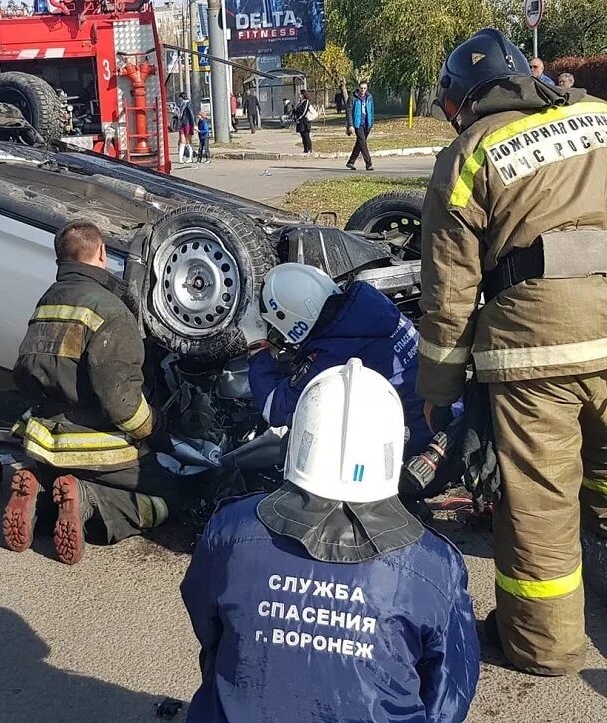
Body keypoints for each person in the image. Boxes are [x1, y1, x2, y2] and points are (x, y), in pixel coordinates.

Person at [421, 27, 607, 676]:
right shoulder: (600, 118)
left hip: (537, 354)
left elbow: (449, 290)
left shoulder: (471, 154)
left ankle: (544, 645)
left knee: (542, 506)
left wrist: (438, 393)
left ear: (465, 101)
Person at [181, 359, 480, 723]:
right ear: (392, 448)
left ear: (299, 439)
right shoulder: (433, 566)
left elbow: (208, 631)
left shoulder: (230, 530)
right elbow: (449, 696)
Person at [5, 220, 181, 564]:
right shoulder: (112, 311)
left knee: (61, 475)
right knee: (173, 495)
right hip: (96, 449)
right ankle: (88, 500)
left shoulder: (48, 303)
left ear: (61, 260)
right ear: (101, 252)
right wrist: (156, 430)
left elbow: (24, 372)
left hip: (44, 441)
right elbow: (121, 405)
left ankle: (40, 490)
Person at [241, 263, 433, 483]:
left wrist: (257, 346)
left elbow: (273, 406)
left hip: (414, 460)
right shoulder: (371, 307)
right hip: (448, 421)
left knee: (306, 429)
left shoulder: (334, 353)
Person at [346, 80, 374, 170]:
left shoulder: (369, 97)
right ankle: (368, 164)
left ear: (367, 88)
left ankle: (351, 162)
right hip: (357, 124)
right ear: (358, 88)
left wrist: (371, 122)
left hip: (367, 123)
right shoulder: (353, 97)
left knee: (360, 143)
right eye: (361, 88)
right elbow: (349, 112)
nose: (363, 90)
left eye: (364, 88)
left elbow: (372, 110)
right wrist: (350, 125)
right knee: (363, 143)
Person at [177, 92, 196, 163]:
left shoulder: (188, 104)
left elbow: (191, 114)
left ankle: (190, 158)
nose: (179, 100)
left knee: (188, 141)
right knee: (182, 141)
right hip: (183, 124)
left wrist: (193, 124)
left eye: (180, 98)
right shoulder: (183, 104)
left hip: (188, 124)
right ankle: (180, 159)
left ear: (181, 98)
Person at [293, 89, 313, 154]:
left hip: (305, 122)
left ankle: (309, 149)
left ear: (303, 94)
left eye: (300, 94)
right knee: (302, 136)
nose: (299, 95)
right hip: (300, 122)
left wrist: (299, 118)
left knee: (306, 135)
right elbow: (296, 110)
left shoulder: (306, 102)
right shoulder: (299, 102)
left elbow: (304, 111)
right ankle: (305, 149)